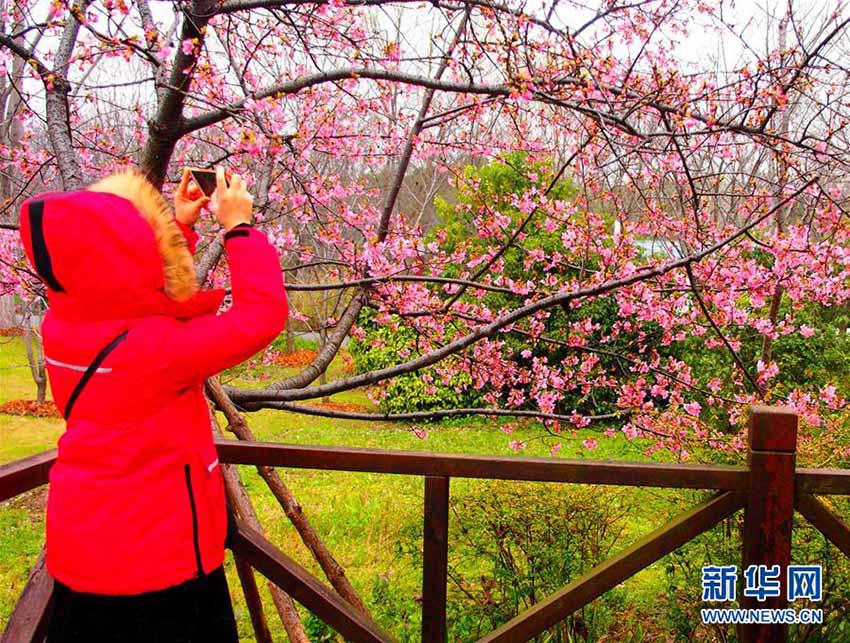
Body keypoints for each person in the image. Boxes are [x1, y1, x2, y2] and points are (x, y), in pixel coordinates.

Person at [17, 166, 288, 642]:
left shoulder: (61, 328)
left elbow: (129, 288)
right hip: (160, 564)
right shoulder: (155, 351)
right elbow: (261, 316)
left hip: (83, 552)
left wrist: (176, 227)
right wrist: (239, 228)